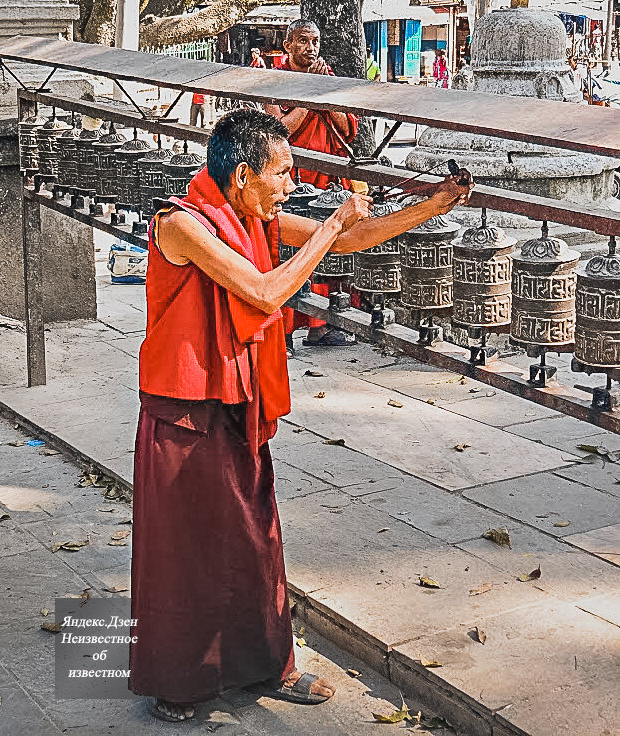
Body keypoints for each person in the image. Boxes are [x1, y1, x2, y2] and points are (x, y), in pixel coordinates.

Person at [130, 107, 473, 723]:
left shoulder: (250, 216)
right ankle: (179, 684)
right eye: (283, 173)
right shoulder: (179, 226)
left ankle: (265, 665)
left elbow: (346, 241)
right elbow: (264, 292)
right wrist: (329, 221)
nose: (290, 185)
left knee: (256, 538)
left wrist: (433, 206)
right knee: (185, 551)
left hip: (237, 403)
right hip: (184, 414)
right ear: (242, 176)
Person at [265, 18, 361, 348]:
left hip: (328, 180)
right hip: (292, 182)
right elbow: (281, 130)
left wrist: (322, 89)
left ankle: (323, 325)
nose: (311, 48)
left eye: (315, 42)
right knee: (291, 251)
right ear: (288, 45)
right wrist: (310, 93)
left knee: (328, 250)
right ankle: (285, 330)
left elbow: (348, 127)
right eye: (303, 41)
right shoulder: (276, 79)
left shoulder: (326, 76)